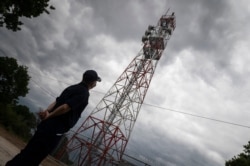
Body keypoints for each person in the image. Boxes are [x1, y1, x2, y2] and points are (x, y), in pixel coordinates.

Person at [6, 70, 101, 166]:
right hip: (55, 129)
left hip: (46, 125)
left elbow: (56, 102)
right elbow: (65, 107)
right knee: (34, 158)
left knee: (28, 152)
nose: (96, 83)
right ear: (93, 82)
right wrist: (49, 116)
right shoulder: (84, 93)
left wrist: (47, 111)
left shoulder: (72, 87)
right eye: (96, 81)